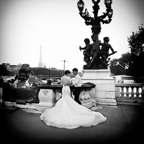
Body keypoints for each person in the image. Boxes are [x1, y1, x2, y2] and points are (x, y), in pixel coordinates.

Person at [40, 70, 106, 129]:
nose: (70, 74)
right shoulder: (68, 78)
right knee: (68, 98)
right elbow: (70, 84)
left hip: (63, 88)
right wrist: (71, 83)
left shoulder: (62, 77)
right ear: (67, 73)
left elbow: (61, 83)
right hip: (67, 88)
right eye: (69, 73)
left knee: (64, 99)